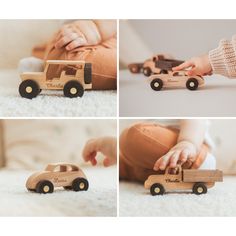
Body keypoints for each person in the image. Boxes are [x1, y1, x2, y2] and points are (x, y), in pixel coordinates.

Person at [119, 119, 216, 183]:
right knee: (126, 154)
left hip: (187, 142)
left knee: (135, 137)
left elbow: (195, 119)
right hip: (144, 161)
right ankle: (128, 168)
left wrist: (187, 142)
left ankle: (193, 161)